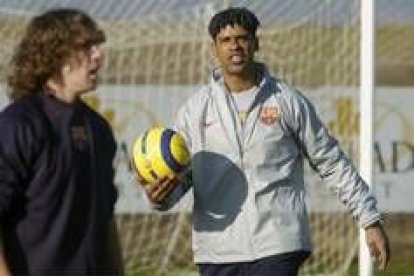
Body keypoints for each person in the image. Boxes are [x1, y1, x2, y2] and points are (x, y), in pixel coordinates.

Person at [138, 7, 390, 276]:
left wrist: (369, 218)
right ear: (214, 48)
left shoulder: (288, 100)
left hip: (277, 245)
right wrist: (160, 199)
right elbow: (183, 176)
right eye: (225, 40)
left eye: (242, 38)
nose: (235, 46)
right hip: (217, 251)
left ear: (255, 43)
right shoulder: (194, 110)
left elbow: (331, 162)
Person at [0, 8, 123, 275]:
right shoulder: (18, 124)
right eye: (86, 46)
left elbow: (106, 218)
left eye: (97, 45)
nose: (98, 55)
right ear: (53, 55)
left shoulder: (99, 129)